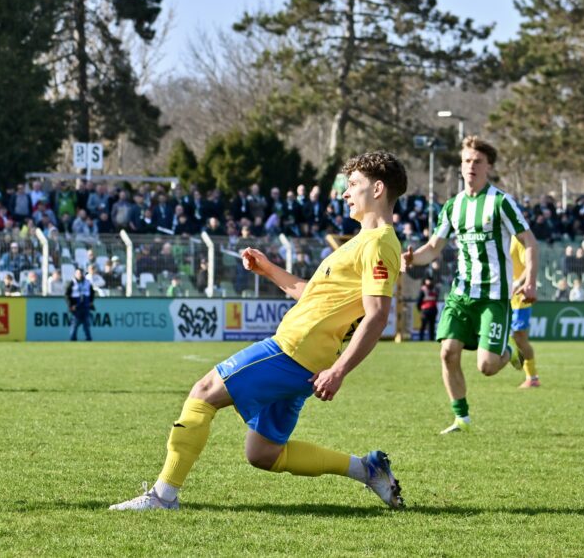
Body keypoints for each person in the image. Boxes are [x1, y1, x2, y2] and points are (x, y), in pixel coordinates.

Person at [111, 152, 407, 512]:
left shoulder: (378, 243)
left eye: (354, 185)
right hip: (306, 357)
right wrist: (269, 270)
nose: (345, 193)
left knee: (204, 392)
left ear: (377, 189)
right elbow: (311, 294)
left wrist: (339, 370)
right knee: (264, 453)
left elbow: (377, 315)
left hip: (293, 351)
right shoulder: (362, 241)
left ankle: (162, 496)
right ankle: (367, 469)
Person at [401, 137, 537, 434]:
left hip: (493, 296)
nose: (471, 166)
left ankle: (508, 352)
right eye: (466, 161)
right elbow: (433, 248)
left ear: (488, 167)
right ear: (460, 167)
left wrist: (530, 281)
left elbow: (529, 241)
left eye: (477, 161)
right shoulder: (453, 206)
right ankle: (461, 418)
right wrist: (412, 258)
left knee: (486, 367)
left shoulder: (500, 202)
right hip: (461, 294)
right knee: (447, 352)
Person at [509, 237, 540, 389]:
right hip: (502, 296)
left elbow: (529, 266)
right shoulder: (498, 236)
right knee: (512, 337)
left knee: (520, 338)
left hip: (519, 298)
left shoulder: (517, 239)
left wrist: (517, 283)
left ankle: (532, 378)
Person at [65, 267, 95, 341]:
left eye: (81, 273)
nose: (80, 275)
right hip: (76, 308)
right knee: (74, 324)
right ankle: (72, 339)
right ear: (75, 274)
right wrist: (71, 305)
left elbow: (92, 293)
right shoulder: (72, 283)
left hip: (85, 306)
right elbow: (67, 295)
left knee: (86, 324)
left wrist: (91, 302)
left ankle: (88, 339)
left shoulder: (87, 282)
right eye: (78, 273)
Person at [417, 277, 440, 342]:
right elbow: (419, 300)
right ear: (425, 281)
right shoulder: (423, 289)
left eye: (430, 280)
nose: (429, 282)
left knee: (432, 326)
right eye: (428, 280)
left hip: (433, 309)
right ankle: (421, 339)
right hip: (425, 310)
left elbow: (436, 298)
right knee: (423, 325)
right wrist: (420, 309)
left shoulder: (435, 289)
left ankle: (431, 339)